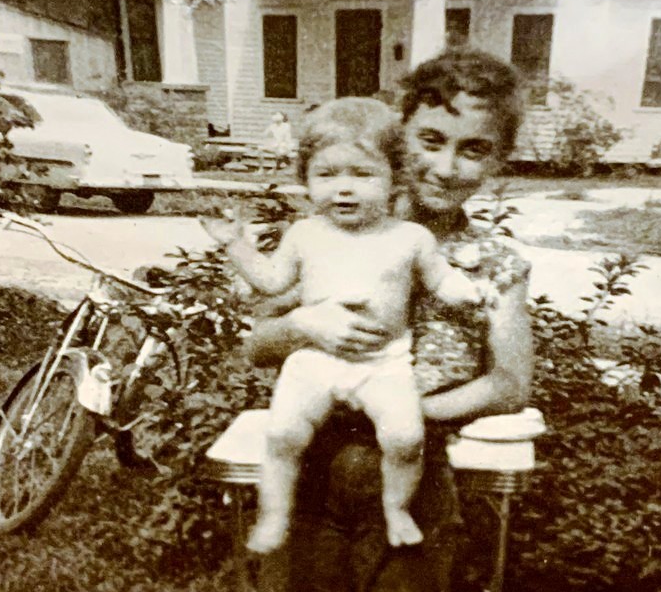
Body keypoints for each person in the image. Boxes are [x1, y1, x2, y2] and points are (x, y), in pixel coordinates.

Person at [244, 49, 533, 592]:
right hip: (311, 464)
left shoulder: (492, 264)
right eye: (431, 140)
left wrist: (407, 410)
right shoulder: (328, 229)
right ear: (398, 137)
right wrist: (299, 325)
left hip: (409, 464)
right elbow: (254, 345)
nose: (446, 165)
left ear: (498, 162)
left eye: (474, 150)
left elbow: (510, 382)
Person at [203, 98, 485, 554]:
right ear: (306, 180)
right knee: (284, 435)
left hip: (384, 362)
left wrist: (467, 292)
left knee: (405, 438)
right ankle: (274, 514)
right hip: (315, 360)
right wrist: (235, 244)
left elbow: (440, 279)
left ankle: (397, 507)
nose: (344, 190)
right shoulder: (305, 234)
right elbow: (272, 281)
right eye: (327, 174)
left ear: (395, 178)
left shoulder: (410, 238)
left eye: (363, 174)